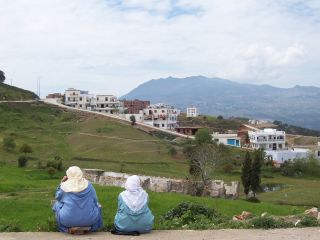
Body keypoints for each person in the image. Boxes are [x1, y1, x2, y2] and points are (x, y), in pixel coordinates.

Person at [52, 166, 103, 234]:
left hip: (67, 220)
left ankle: (65, 229)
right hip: (90, 220)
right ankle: (92, 228)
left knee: (57, 204)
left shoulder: (64, 186)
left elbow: (57, 197)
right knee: (98, 205)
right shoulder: (89, 185)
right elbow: (95, 200)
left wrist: (61, 183)